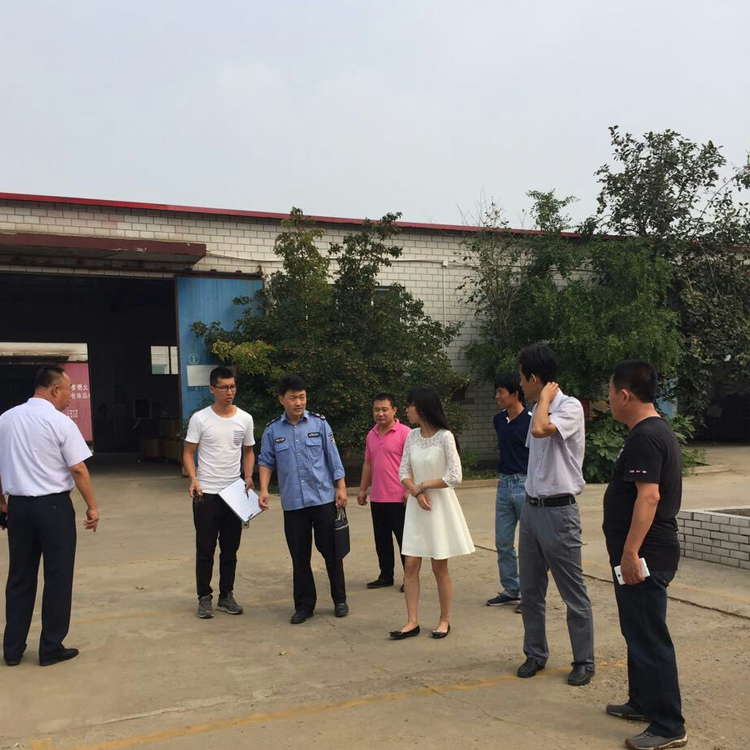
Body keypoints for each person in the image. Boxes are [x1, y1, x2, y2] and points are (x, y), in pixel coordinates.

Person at [603, 360, 687, 750]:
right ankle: (641, 702)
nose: (607, 399)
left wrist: (631, 551)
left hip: (646, 553)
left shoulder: (646, 436)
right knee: (636, 630)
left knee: (651, 637)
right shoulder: (651, 431)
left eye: (609, 392)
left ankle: (669, 724)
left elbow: (649, 497)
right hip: (640, 553)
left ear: (624, 395)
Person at [0, 365, 99, 667]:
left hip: (18, 508)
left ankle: (12, 649)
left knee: (20, 577)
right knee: (57, 577)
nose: (70, 397)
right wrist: (92, 506)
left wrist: (2, 503)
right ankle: (50, 648)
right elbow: (78, 468)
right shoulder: (60, 422)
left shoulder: (6, 419)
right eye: (68, 391)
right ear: (55, 389)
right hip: (53, 509)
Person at [516, 343, 595, 686]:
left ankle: (584, 660)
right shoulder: (539, 408)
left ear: (535, 379)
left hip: (559, 512)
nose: (520, 385)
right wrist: (541, 403)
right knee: (531, 591)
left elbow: (541, 430)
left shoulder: (569, 407)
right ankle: (535, 653)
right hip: (532, 510)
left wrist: (545, 400)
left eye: (523, 379)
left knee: (572, 592)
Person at [258, 374, 349, 624]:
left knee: (332, 553)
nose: (298, 402)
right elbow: (266, 461)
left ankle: (340, 599)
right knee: (299, 557)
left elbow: (333, 457)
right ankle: (304, 606)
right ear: (282, 400)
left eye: (302, 397)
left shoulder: (319, 424)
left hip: (322, 500)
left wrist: (341, 487)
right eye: (293, 398)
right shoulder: (273, 430)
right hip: (293, 504)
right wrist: (263, 489)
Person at [390, 386, 475, 640]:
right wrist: (416, 492)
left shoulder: (445, 437)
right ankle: (412, 621)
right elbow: (402, 472)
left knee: (439, 567)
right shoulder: (411, 436)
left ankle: (444, 619)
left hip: (439, 507)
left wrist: (424, 485)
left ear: (423, 407)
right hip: (418, 506)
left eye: (410, 404)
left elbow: (455, 476)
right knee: (410, 565)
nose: (407, 409)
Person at [183, 366, 255, 619]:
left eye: (232, 387)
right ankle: (204, 597)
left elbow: (248, 451)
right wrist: (194, 480)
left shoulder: (245, 419)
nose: (229, 392)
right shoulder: (200, 419)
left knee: (230, 549)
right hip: (206, 493)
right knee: (205, 549)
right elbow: (188, 453)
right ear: (212, 389)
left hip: (234, 493)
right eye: (224, 387)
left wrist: (248, 476)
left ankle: (226, 596)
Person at [486, 373, 532, 609]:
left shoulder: (532, 421)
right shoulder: (498, 420)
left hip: (525, 484)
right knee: (503, 541)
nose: (497, 396)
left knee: (529, 544)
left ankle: (530, 595)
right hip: (503, 485)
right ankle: (511, 589)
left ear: (515, 394)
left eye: (500, 392)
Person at [358, 393, 411, 591]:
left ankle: (410, 578)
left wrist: (409, 489)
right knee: (382, 541)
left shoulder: (406, 433)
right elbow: (368, 463)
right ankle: (386, 576)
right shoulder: (371, 435)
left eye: (384, 409)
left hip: (399, 498)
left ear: (394, 410)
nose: (380, 413)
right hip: (378, 497)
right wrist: (363, 489)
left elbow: (413, 463)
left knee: (405, 542)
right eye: (376, 410)